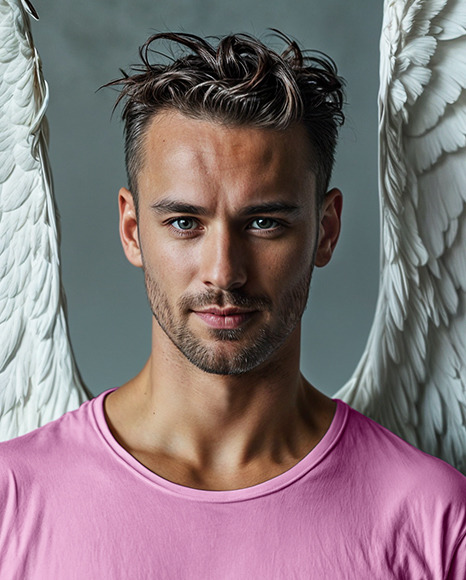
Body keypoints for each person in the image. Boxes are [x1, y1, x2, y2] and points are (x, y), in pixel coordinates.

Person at [0, 31, 465, 579]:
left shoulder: (433, 517)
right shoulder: (13, 499)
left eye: (264, 222)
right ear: (131, 230)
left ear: (326, 229)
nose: (224, 271)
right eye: (184, 223)